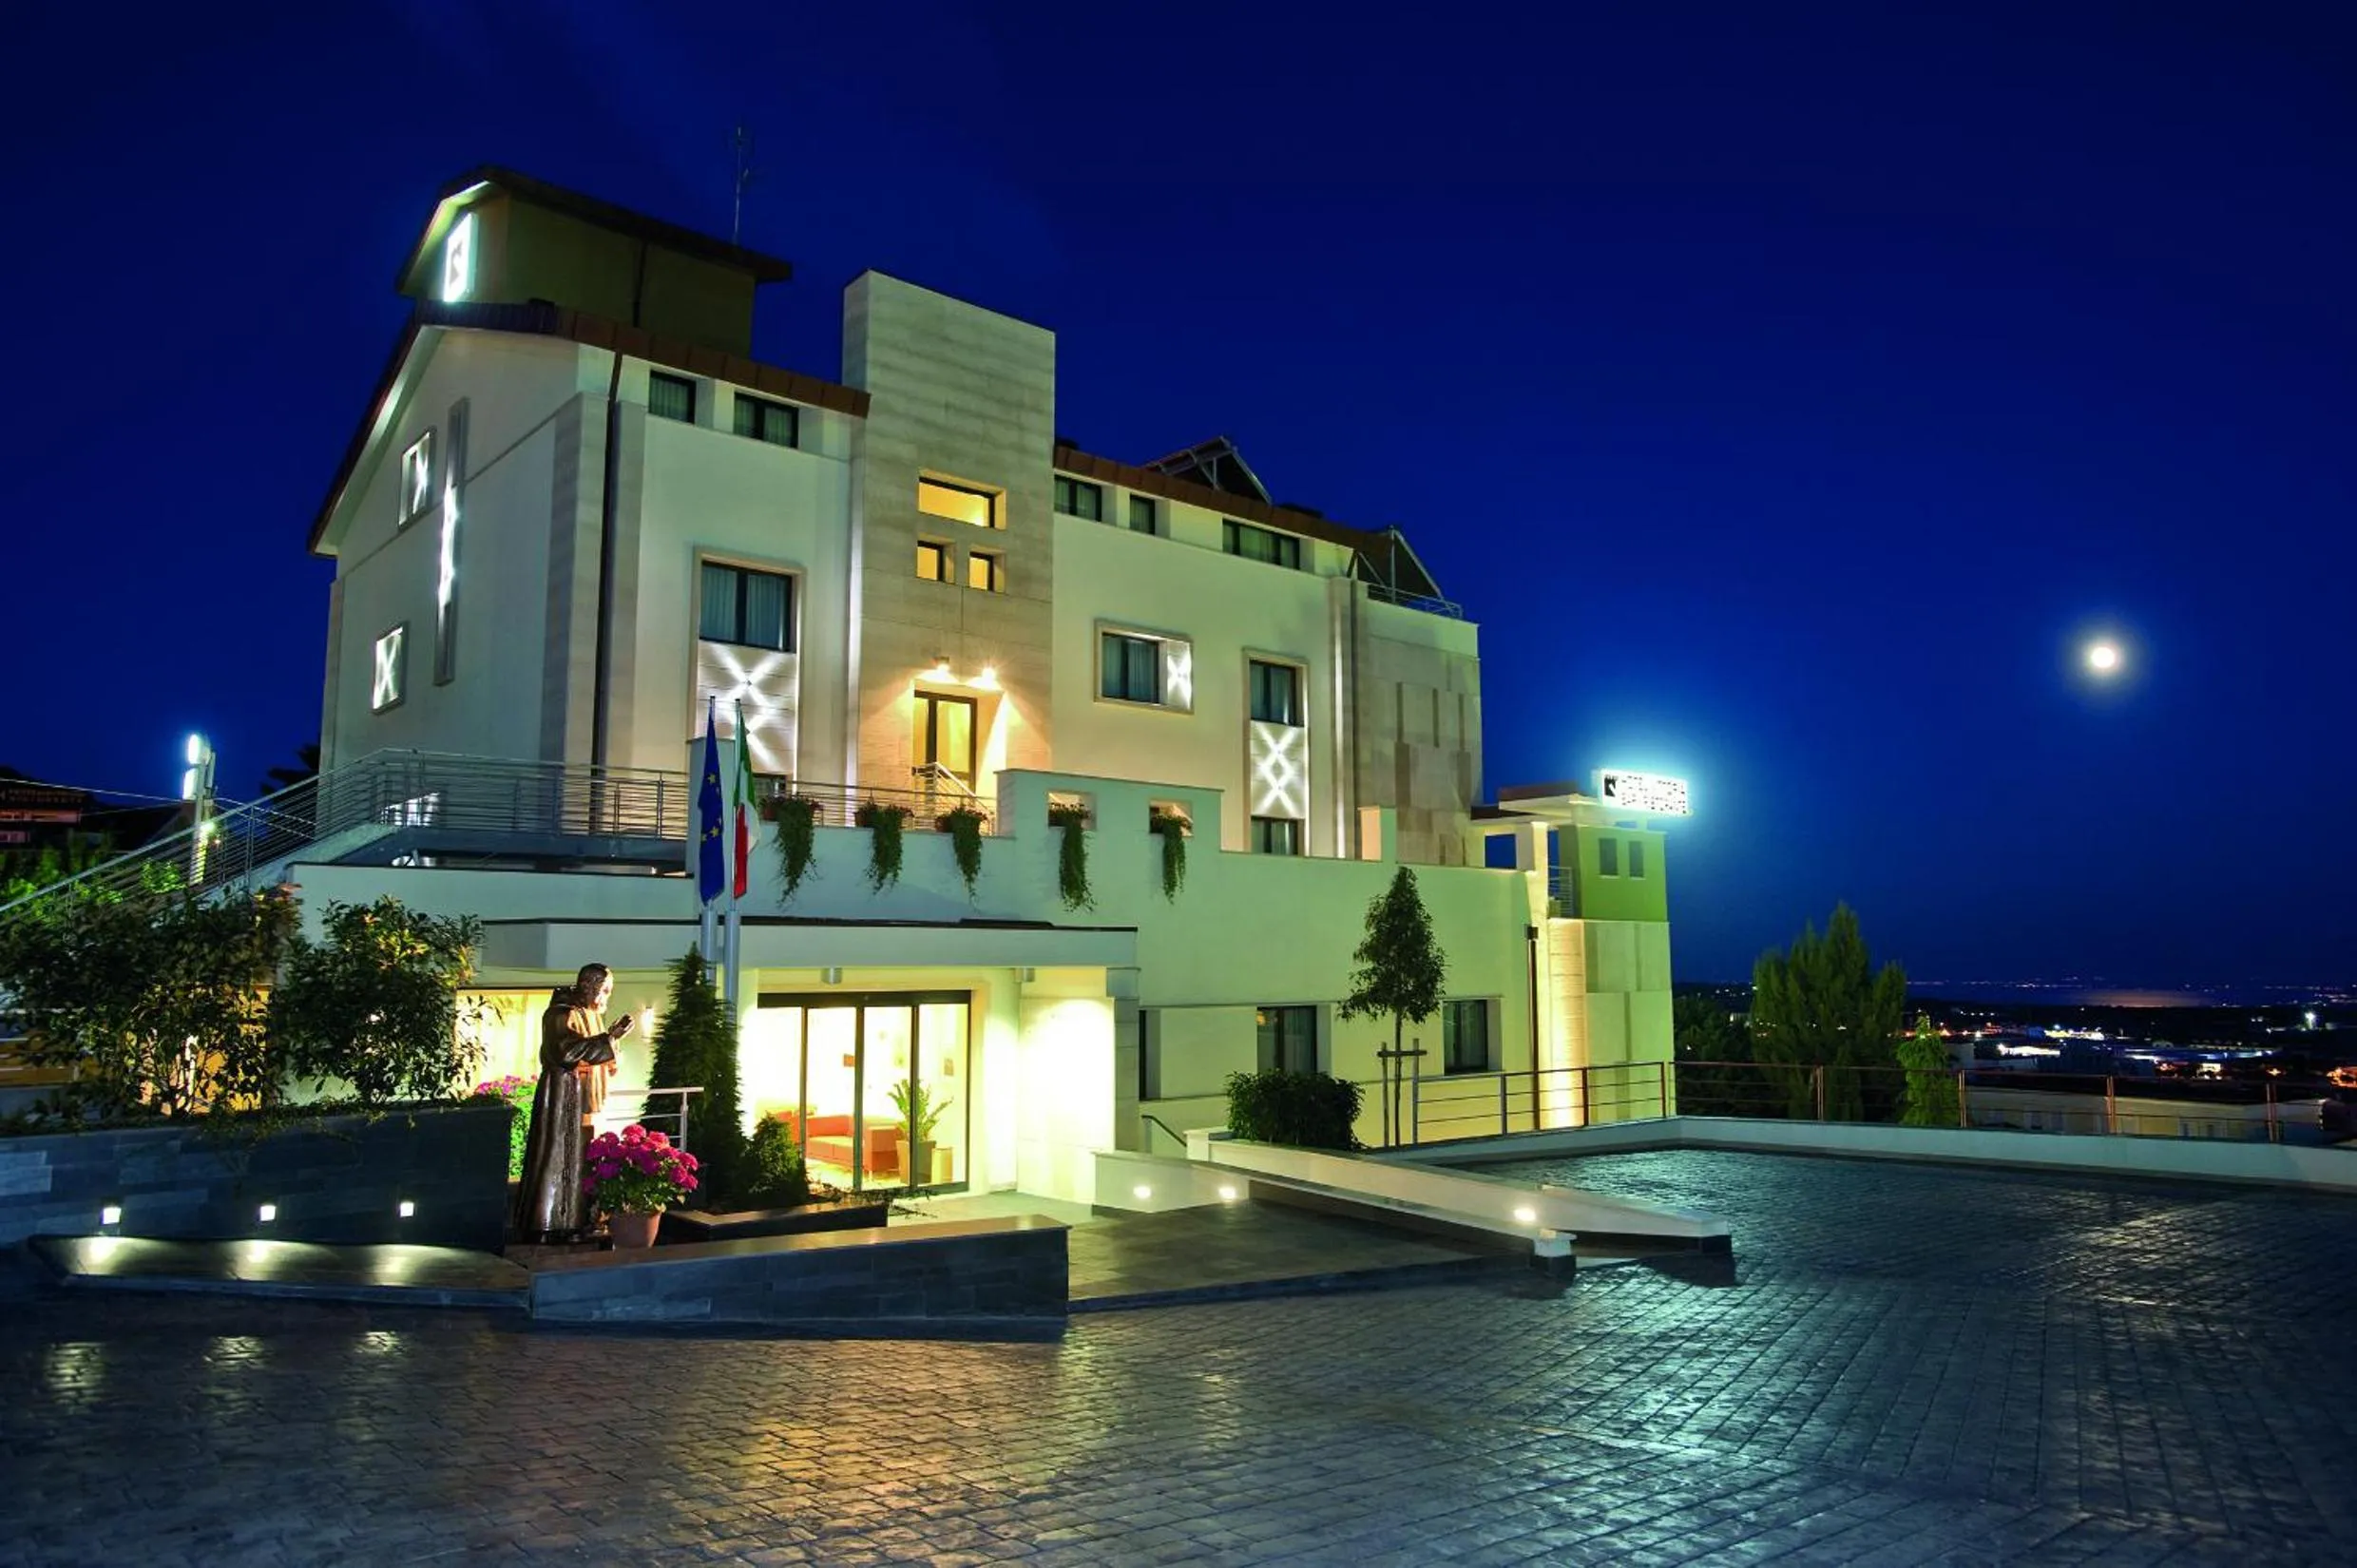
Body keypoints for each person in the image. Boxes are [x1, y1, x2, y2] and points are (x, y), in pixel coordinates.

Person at [513, 963, 635, 1243]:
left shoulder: (590, 1015)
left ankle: (575, 1220)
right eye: (604, 991)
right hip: (563, 1096)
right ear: (589, 986)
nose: (605, 998)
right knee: (558, 1157)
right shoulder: (561, 1013)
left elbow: (595, 1052)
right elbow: (565, 1051)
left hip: (584, 1100)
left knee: (579, 1160)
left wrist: (611, 1050)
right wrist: (610, 1038)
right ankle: (549, 1224)